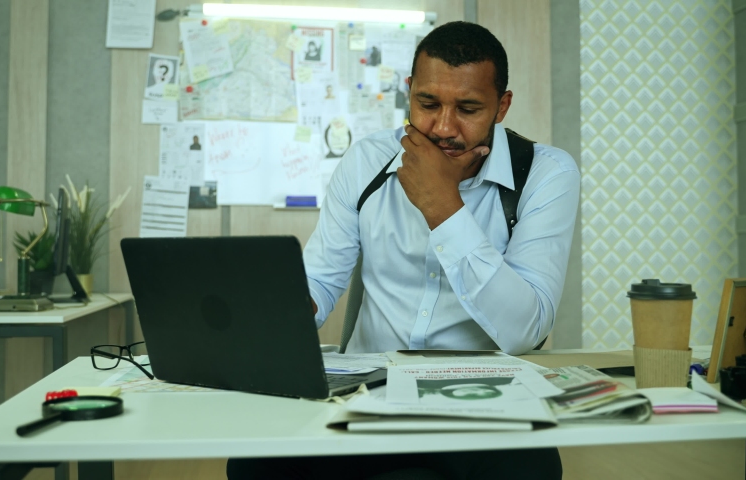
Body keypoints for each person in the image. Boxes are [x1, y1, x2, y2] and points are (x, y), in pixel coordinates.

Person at [227, 21, 576, 480]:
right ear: (409, 91)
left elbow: (527, 328)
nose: (442, 128)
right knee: (250, 465)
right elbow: (320, 279)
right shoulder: (368, 161)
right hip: (368, 396)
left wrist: (443, 205)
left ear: (502, 106)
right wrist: (285, 306)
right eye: (427, 104)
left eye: (468, 108)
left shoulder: (545, 174)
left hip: (485, 404)